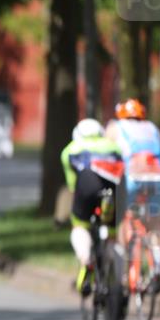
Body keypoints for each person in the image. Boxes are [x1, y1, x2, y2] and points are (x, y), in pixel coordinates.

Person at [108, 98, 160, 293]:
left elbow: (107, 152)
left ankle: (124, 272)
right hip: (158, 173)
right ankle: (156, 266)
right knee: (155, 223)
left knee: (126, 218)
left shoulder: (116, 126)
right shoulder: (152, 127)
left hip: (132, 174)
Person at [60, 118, 124, 296]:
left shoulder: (70, 150)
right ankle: (118, 277)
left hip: (87, 184)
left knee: (79, 226)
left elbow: (73, 186)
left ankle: (86, 259)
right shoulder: (114, 147)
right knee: (112, 235)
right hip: (113, 188)